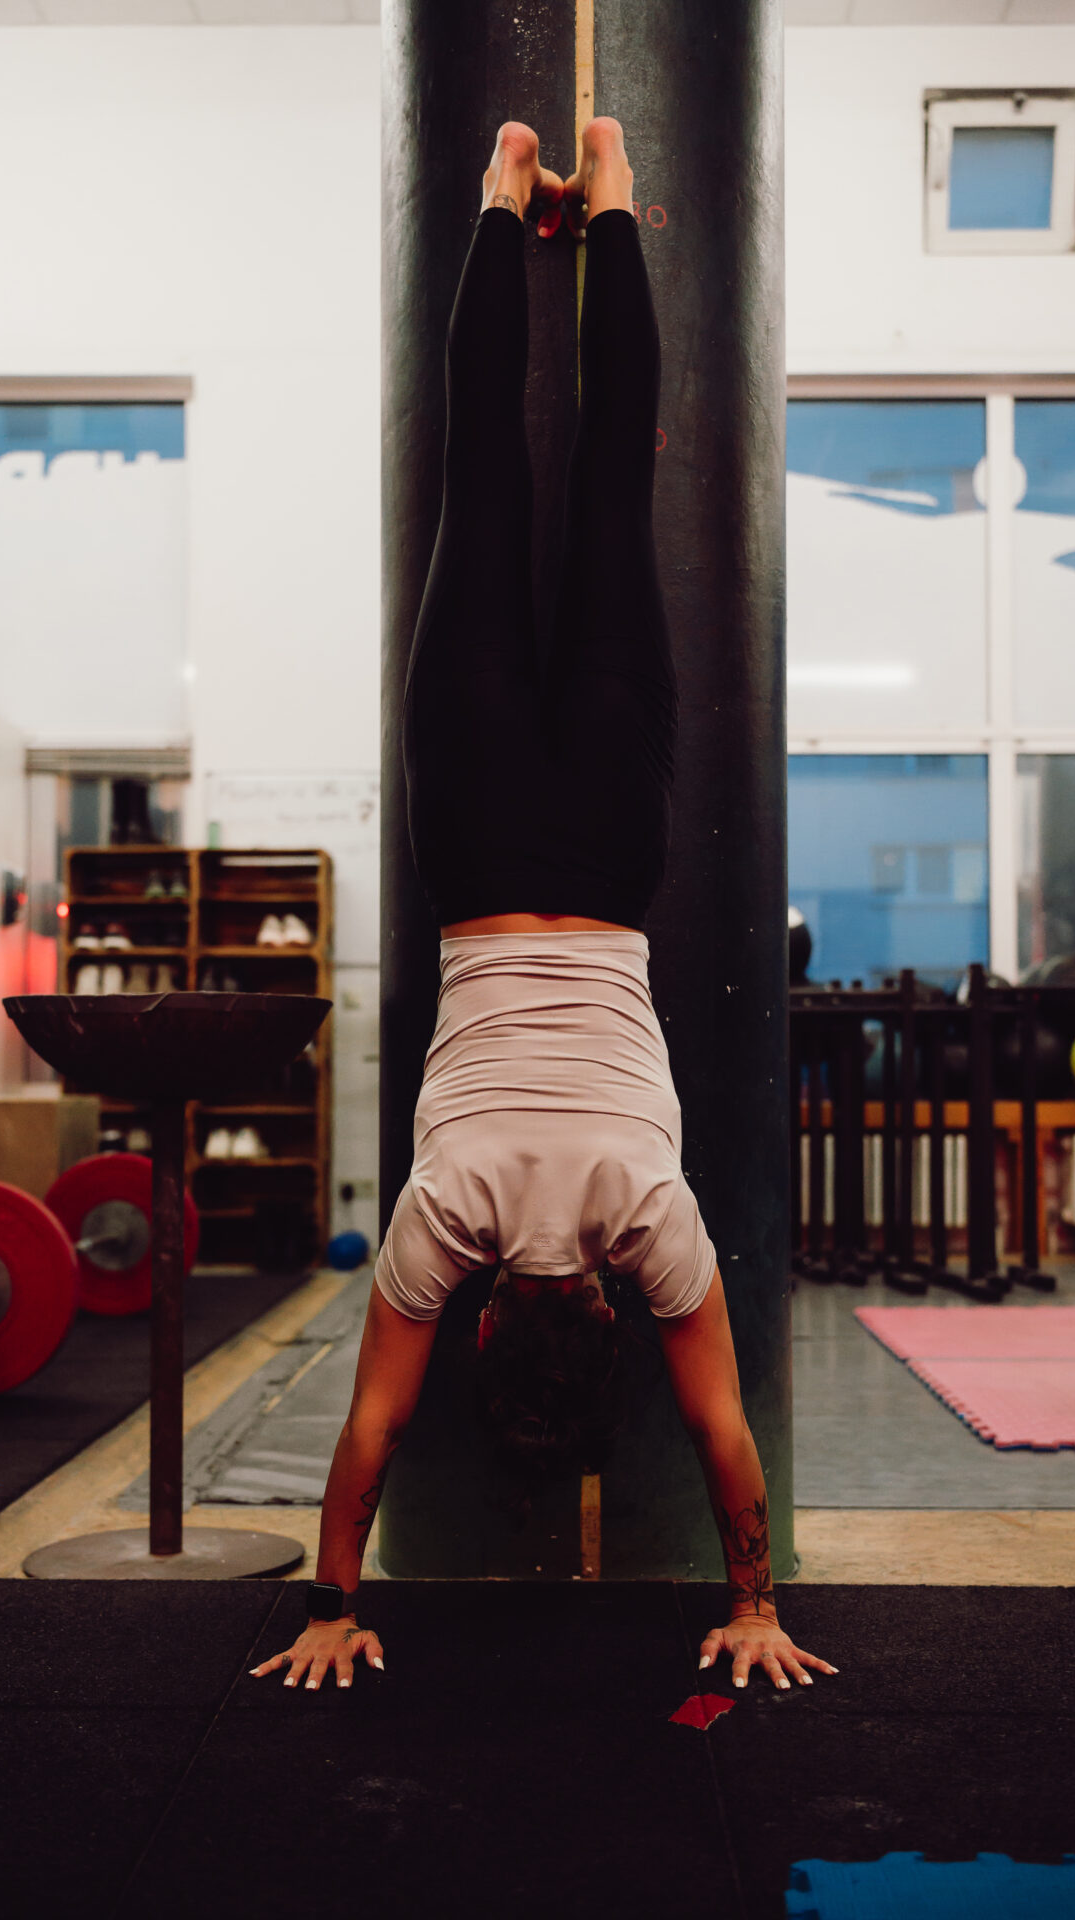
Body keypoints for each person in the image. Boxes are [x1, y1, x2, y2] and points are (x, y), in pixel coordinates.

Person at [252, 119, 835, 1699]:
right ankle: (509, 187)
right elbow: (374, 1428)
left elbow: (719, 1432)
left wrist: (757, 1604)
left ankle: (613, 183)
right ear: (493, 1333)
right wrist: (327, 1605)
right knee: (484, 478)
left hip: (608, 851)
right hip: (479, 838)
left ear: (608, 1327)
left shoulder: (654, 1222)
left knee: (608, 485)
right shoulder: (441, 1224)